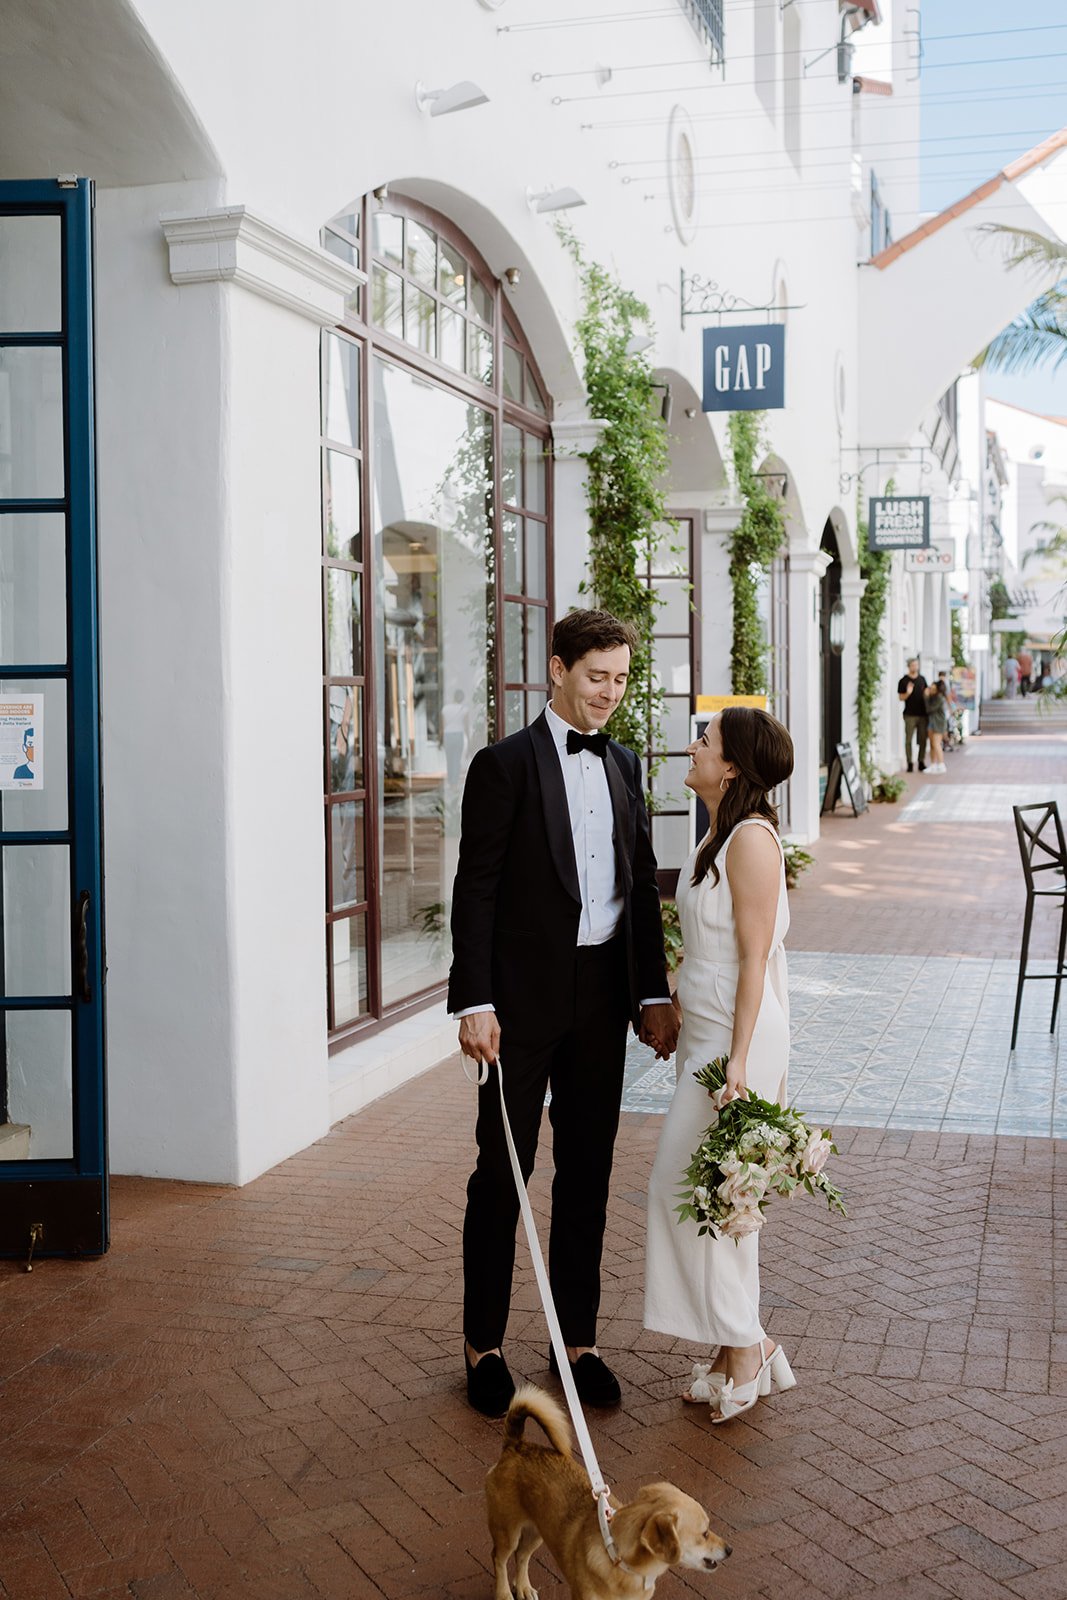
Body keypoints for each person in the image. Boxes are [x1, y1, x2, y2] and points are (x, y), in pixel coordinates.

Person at [449, 608, 679, 1417]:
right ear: (557, 670)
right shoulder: (503, 765)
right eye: (595, 677)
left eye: (619, 679)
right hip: (515, 1005)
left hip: (600, 1002)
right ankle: (482, 1346)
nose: (608, 694)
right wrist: (472, 1001)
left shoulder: (621, 763)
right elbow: (474, 887)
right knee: (502, 1173)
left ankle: (575, 1341)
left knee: (588, 1172)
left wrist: (650, 992)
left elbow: (639, 885)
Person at [645, 707, 796, 1423]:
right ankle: (733, 1344)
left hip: (738, 1042)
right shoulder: (712, 833)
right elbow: (700, 947)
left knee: (711, 1196)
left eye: (704, 741)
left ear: (731, 765)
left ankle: (745, 1346)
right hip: (704, 1033)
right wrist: (670, 999)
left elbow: (754, 961)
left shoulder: (752, 842)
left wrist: (739, 1061)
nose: (692, 746)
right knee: (705, 1198)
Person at [897, 658, 928, 772]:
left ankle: (921, 761)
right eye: (913, 665)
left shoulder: (922, 679)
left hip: (923, 715)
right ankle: (910, 763)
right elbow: (900, 698)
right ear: (909, 666)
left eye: (916, 665)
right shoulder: (903, 681)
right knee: (909, 740)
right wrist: (908, 693)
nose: (915, 667)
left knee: (923, 739)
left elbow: (926, 693)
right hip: (909, 715)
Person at [441, 689, 470, 787]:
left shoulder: (445, 709)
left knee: (449, 759)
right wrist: (469, 738)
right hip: (458, 734)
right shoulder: (464, 709)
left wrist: (440, 738)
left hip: (447, 735)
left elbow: (443, 725)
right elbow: (466, 725)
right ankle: (455, 782)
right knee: (457, 759)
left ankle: (450, 781)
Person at [924, 678, 949, 773]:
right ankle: (933, 764)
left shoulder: (939, 698)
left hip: (938, 723)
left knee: (936, 744)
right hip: (932, 723)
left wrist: (926, 697)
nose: (931, 690)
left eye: (933, 689)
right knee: (932, 744)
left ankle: (941, 764)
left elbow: (929, 709)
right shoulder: (933, 697)